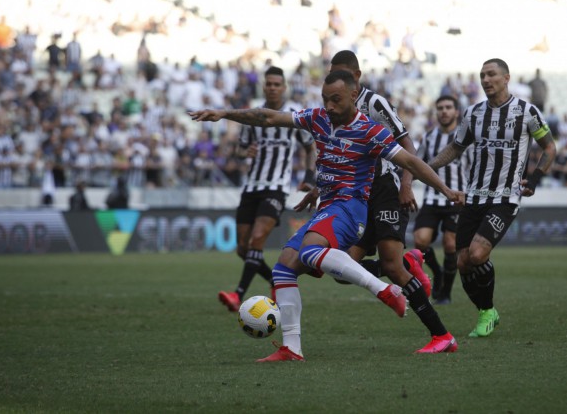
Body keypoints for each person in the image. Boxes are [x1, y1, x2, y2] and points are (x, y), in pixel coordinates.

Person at [189, 69, 464, 361]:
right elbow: (268, 117)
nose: (329, 106)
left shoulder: (370, 131)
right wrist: (223, 113)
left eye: (336, 100)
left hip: (351, 208)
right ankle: (291, 348)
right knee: (283, 269)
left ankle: (385, 290)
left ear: (354, 96)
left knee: (310, 253)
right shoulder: (318, 118)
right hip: (328, 207)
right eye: (325, 99)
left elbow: (411, 160)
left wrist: (446, 190)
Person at [296, 50, 457, 353]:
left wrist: (406, 185)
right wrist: (319, 190)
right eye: (333, 75)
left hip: (384, 188)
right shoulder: (331, 112)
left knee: (394, 268)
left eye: (343, 75)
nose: (337, 84)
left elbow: (406, 144)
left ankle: (441, 336)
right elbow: (338, 158)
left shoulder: (375, 103)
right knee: (343, 270)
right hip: (354, 194)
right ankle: (407, 262)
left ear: (356, 78)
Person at [428, 58, 557, 338]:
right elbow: (455, 148)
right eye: (482, 75)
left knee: (476, 254)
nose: (486, 80)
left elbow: (549, 147)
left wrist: (534, 179)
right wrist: (426, 167)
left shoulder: (527, 112)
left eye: (491, 74)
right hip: (474, 196)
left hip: (505, 197)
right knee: (462, 262)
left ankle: (486, 311)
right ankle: (487, 311)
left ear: (506, 77)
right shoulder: (473, 114)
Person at [217, 66, 316, 313]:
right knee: (243, 248)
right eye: (268, 84)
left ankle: (238, 294)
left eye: (276, 84)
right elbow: (240, 149)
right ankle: (275, 282)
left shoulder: (294, 114)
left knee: (257, 239)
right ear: (264, 86)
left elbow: (309, 147)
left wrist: (309, 176)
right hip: (252, 185)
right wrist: (244, 152)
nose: (272, 87)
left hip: (277, 187)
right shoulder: (253, 115)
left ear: (284, 88)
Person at [413, 95, 467, 305]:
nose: (444, 111)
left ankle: (445, 292)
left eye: (448, 107)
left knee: (450, 245)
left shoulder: (465, 139)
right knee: (420, 241)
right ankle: (438, 272)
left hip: (456, 199)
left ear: (456, 112)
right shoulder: (429, 137)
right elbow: (417, 163)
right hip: (433, 198)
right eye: (440, 108)